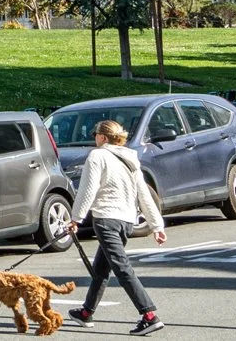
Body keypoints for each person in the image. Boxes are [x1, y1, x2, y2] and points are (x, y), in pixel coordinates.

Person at [66, 117, 166, 334]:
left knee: (121, 267)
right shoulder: (131, 159)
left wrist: (75, 219)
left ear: (102, 137)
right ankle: (86, 312)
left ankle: (149, 315)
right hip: (126, 221)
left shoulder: (97, 155)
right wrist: (157, 226)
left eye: (95, 135)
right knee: (101, 268)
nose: (94, 139)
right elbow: (144, 194)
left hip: (106, 219)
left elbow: (87, 190)